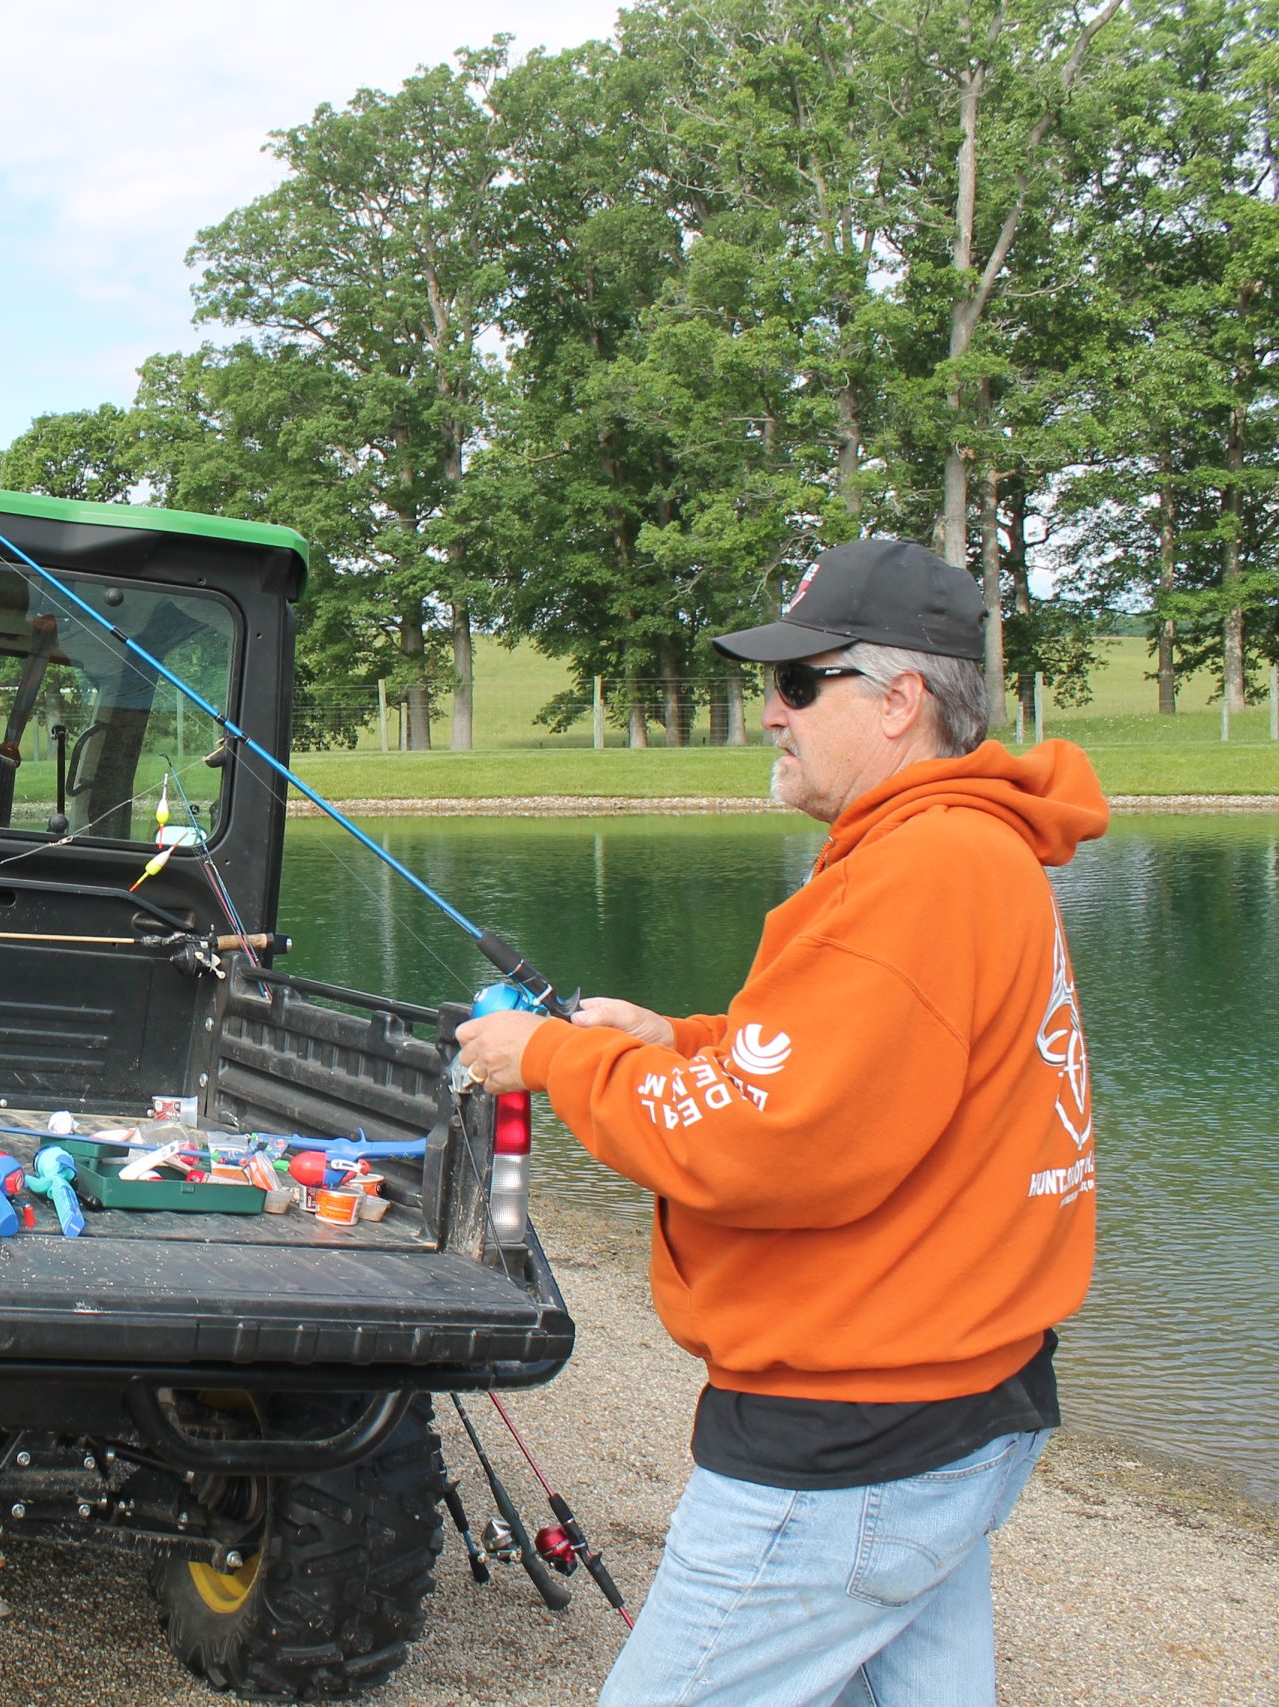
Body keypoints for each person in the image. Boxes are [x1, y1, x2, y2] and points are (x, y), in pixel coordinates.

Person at [457, 537, 1106, 1707]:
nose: (769, 714)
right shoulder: (970, 853)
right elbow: (872, 1076)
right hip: (968, 1399)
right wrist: (680, 1042)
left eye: (799, 683)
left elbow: (763, 1144)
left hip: (854, 1435)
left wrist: (548, 1054)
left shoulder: (911, 877)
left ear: (900, 700)